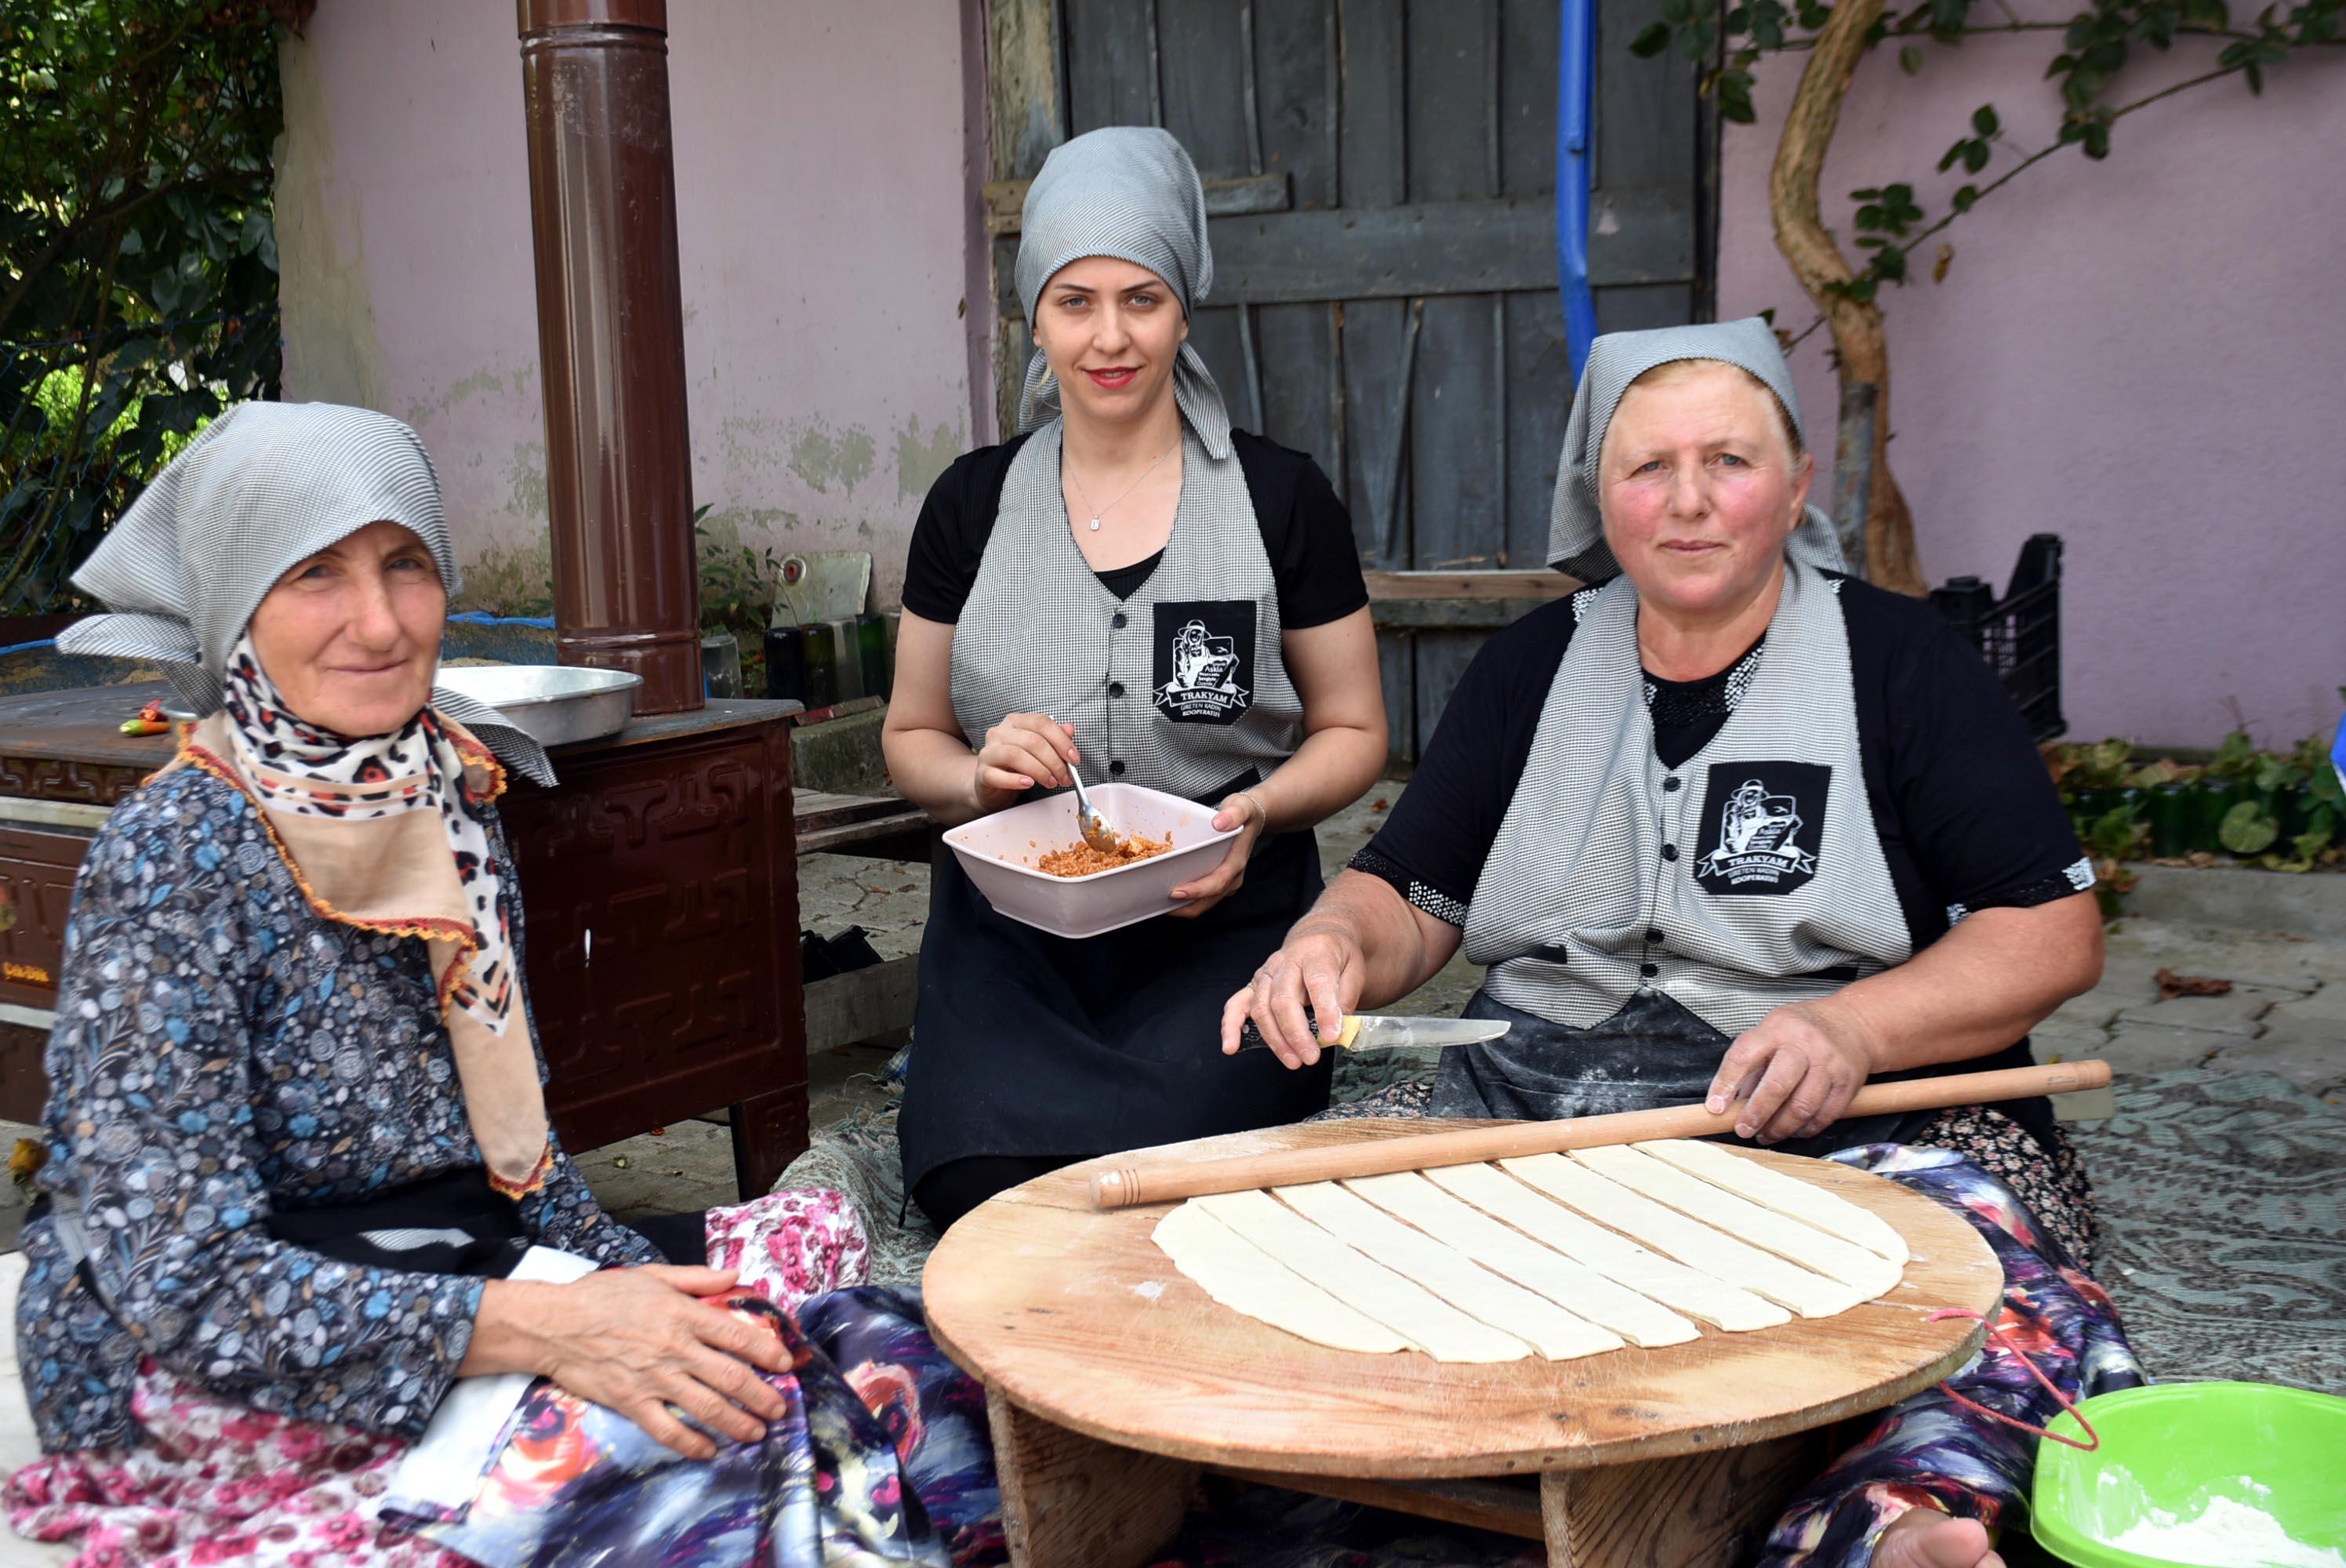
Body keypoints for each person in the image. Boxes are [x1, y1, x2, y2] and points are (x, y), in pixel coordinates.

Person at [1224, 320, 2144, 1568]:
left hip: (1853, 1118)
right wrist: (1331, 940)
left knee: (1977, 1295)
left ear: (1799, 480)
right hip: (1544, 1105)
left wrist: (1852, 1027)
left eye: (1731, 460)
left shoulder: (1902, 663)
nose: (1691, 503)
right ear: (1597, 496)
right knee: (1289, 1258)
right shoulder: (1531, 667)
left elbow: (2051, 933)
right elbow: (1410, 891)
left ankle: (1897, 1523)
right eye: (1648, 468)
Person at [7, 404, 987, 1568]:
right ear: (237, 602)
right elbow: (187, 1285)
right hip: (217, 1352)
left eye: (405, 566)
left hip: (448, 1258)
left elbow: (510, 1158)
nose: (378, 622)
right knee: (743, 1458)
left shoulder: (449, 800)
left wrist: (643, 1296)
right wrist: (559, 1327)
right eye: (315, 573)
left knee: (872, 1348)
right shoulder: (175, 857)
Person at [885, 127, 1385, 1231]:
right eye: (1075, 302)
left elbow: (1354, 730)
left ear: (1185, 308)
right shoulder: (970, 507)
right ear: (1035, 316)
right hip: (1015, 936)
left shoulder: (1279, 498)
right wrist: (977, 779)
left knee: (1219, 1185)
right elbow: (912, 732)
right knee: (979, 1183)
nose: (1110, 337)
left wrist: (1253, 812)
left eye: (1141, 298)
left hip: (1225, 925)